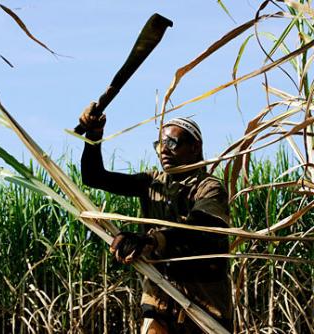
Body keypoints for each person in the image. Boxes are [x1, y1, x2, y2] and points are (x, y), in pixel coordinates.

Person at [79, 102, 233, 333]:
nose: (163, 150)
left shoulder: (209, 187)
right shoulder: (152, 183)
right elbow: (94, 177)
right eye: (159, 144)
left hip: (203, 305)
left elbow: (201, 228)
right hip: (159, 301)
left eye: (171, 143)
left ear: (195, 147)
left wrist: (151, 240)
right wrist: (93, 134)